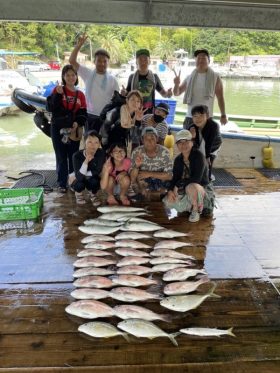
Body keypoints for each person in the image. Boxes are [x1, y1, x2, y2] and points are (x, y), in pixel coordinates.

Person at [48, 64, 87, 193]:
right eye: (67, 75)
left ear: (76, 77)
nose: (70, 77)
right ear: (63, 77)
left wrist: (77, 122)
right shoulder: (57, 90)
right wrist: (57, 95)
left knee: (73, 156)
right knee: (60, 156)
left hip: (73, 130)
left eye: (73, 75)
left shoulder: (80, 94)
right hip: (57, 128)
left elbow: (83, 113)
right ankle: (61, 184)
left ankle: (72, 181)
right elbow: (51, 108)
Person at [69, 33, 119, 133]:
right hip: (89, 115)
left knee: (103, 145)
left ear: (108, 62)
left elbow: (116, 101)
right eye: (99, 61)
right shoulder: (87, 73)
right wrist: (78, 46)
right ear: (94, 61)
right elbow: (72, 60)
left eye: (105, 61)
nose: (102, 63)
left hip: (105, 118)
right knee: (90, 144)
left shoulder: (113, 80)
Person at [163, 129, 215, 223]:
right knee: (167, 201)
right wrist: (170, 190)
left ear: (192, 142)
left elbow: (196, 179)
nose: (184, 145)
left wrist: (178, 185)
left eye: (186, 141)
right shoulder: (178, 160)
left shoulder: (199, 156)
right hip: (186, 187)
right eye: (180, 142)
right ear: (177, 145)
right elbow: (175, 178)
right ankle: (190, 206)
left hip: (201, 188)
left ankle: (196, 209)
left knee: (192, 186)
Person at [173, 48, 227, 128]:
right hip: (190, 117)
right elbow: (176, 93)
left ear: (208, 61)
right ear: (195, 61)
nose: (201, 60)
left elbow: (220, 97)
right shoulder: (189, 77)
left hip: (207, 118)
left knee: (207, 140)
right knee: (188, 140)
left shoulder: (215, 77)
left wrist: (223, 115)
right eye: (198, 58)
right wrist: (176, 84)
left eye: (203, 58)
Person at [121, 49, 172, 114]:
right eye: (140, 60)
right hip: (134, 113)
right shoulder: (132, 77)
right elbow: (128, 94)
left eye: (145, 59)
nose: (143, 62)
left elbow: (164, 94)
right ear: (136, 62)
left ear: (149, 61)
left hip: (149, 113)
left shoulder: (154, 77)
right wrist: (124, 93)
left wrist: (168, 94)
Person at [130, 126, 172, 197]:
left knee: (164, 191)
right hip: (143, 183)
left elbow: (169, 176)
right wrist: (137, 166)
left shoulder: (165, 152)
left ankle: (155, 196)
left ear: (157, 139)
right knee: (139, 186)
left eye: (152, 138)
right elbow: (132, 178)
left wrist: (149, 174)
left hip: (160, 181)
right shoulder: (137, 152)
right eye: (146, 138)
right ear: (142, 140)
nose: (149, 141)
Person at [71, 130, 106, 204]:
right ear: (84, 142)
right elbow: (79, 178)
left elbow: (98, 171)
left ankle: (93, 194)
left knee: (95, 181)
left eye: (96, 142)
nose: (93, 145)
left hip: (90, 176)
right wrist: (86, 161)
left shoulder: (101, 153)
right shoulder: (76, 156)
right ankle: (78, 193)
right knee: (79, 184)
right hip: (80, 179)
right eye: (90, 142)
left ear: (99, 144)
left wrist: (82, 174)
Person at [189, 105, 222, 178]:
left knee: (209, 162)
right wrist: (192, 137)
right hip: (201, 145)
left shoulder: (214, 126)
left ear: (207, 116)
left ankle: (207, 178)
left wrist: (207, 157)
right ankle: (195, 175)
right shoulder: (191, 127)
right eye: (195, 116)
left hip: (214, 145)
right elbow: (189, 144)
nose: (198, 119)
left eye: (201, 115)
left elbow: (209, 142)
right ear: (192, 118)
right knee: (197, 159)